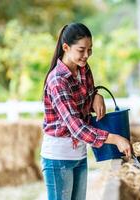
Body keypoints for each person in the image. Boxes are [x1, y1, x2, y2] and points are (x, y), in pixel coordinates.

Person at [40, 23, 131, 200]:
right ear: (65, 47)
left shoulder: (83, 69)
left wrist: (96, 95)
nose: (87, 55)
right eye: (81, 50)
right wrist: (115, 139)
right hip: (58, 157)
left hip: (79, 153)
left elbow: (82, 103)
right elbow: (77, 128)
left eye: (90, 49)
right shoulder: (58, 80)